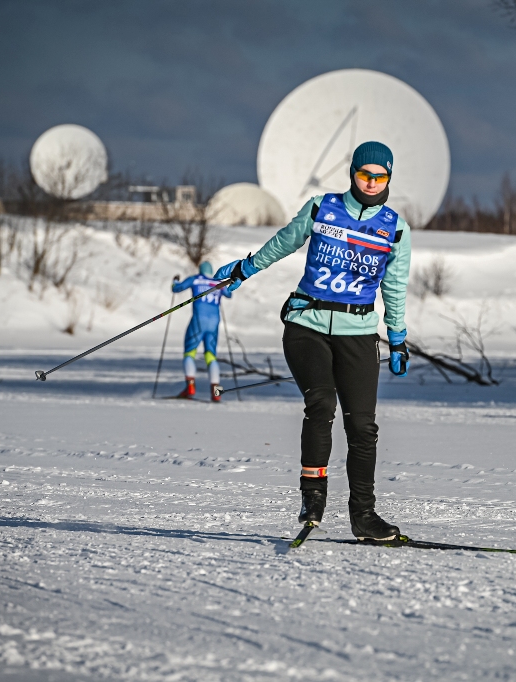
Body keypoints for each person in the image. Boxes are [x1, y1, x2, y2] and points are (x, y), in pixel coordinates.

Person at [214, 141, 411, 541]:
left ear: (389, 178)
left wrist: (398, 337)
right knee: (321, 402)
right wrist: (245, 268)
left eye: (380, 176)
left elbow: (394, 286)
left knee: (363, 428)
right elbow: (286, 241)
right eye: (364, 175)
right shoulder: (323, 208)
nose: (371, 183)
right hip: (307, 324)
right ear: (352, 173)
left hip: (358, 332)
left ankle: (364, 516)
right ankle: (314, 496)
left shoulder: (396, 228)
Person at [172, 262, 232, 401]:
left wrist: (174, 281)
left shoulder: (196, 279)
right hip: (214, 323)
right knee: (211, 355)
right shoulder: (218, 282)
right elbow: (229, 294)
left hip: (198, 320)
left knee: (189, 352)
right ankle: (216, 392)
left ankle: (190, 386)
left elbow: (177, 288)